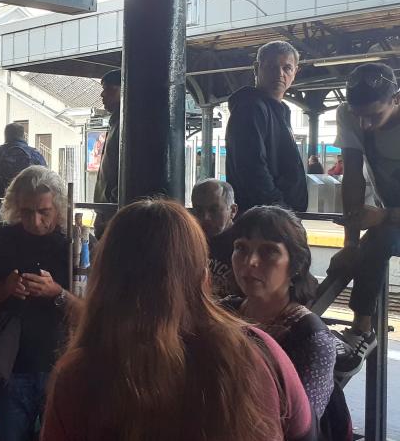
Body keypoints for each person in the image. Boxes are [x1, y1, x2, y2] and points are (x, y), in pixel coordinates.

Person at [40, 199, 314, 441]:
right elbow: (304, 430)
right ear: (202, 276)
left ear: (105, 278)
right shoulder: (259, 351)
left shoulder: (78, 375)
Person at [0, 165, 73, 441]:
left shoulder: (74, 244)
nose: (35, 221)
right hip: (12, 366)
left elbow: (91, 311)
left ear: (59, 208)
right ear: (16, 207)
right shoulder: (1, 237)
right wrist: (4, 289)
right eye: (27, 212)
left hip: (60, 364)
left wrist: (57, 293)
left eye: (44, 212)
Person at [224, 206, 338, 425]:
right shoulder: (224, 313)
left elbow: (300, 428)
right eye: (241, 248)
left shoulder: (312, 339)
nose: (250, 262)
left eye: (268, 251)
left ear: (296, 265)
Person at [327, 63, 400, 375]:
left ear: (395, 98)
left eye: (374, 115)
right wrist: (350, 246)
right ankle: (363, 330)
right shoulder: (348, 115)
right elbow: (353, 178)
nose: (365, 124)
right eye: (359, 114)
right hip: (390, 215)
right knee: (376, 240)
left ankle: (363, 330)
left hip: (390, 216)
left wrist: (384, 215)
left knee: (380, 236)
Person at [225, 40, 308, 213]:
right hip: (266, 219)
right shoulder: (250, 107)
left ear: (295, 72)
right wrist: (278, 209)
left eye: (287, 68)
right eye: (271, 67)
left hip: (274, 215)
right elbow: (252, 166)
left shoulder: (280, 110)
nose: (279, 74)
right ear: (256, 69)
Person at [191, 179, 241, 298]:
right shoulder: (189, 241)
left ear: (233, 211)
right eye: (198, 210)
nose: (205, 217)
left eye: (214, 210)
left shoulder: (244, 245)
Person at [0, 123, 47, 198]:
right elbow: (46, 184)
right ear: (23, 136)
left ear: (6, 136)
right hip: (31, 204)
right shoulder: (36, 155)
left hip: (2, 206)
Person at [93, 69, 121, 238]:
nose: (102, 94)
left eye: (109, 89)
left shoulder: (125, 125)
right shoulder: (115, 124)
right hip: (107, 210)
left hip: (112, 212)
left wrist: (113, 209)